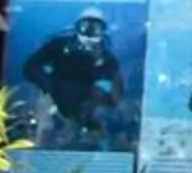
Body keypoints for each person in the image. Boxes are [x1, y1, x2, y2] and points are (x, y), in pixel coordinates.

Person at [20, 10, 131, 151]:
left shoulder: (108, 59)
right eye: (85, 26)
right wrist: (47, 89)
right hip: (53, 98)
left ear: (103, 31)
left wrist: (98, 105)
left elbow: (116, 93)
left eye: (95, 27)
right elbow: (30, 68)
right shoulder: (58, 46)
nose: (89, 32)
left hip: (85, 107)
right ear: (77, 27)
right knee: (45, 128)